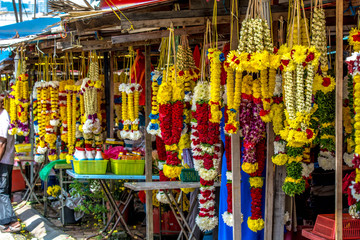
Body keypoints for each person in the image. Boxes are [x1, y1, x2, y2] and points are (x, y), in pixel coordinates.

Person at [0, 96, 20, 233]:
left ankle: (12, 221)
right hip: (5, 159)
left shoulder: (3, 118)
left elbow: (2, 143)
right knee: (3, 190)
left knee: (1, 191)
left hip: (3, 159)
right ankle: (5, 220)